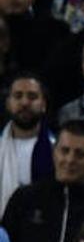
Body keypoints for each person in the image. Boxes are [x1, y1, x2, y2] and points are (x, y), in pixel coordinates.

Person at [0, 73, 52, 219]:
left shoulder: (58, 149)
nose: (24, 103)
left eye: (32, 96)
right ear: (8, 104)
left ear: (44, 104)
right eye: (18, 96)